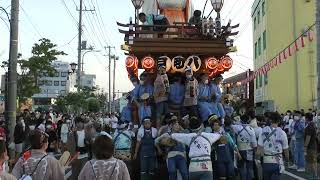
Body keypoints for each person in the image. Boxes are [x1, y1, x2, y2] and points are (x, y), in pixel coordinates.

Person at [257, 112, 289, 180]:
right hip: (278, 161)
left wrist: (257, 159)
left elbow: (259, 148)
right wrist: (287, 159)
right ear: (279, 121)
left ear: (270, 120)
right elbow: (286, 149)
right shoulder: (282, 133)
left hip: (266, 161)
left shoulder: (263, 131)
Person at [208, 115, 241, 180]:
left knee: (231, 176)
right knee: (221, 177)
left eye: (218, 125)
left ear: (220, 126)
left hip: (229, 159)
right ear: (212, 127)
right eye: (214, 125)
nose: (216, 126)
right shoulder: (210, 136)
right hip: (218, 160)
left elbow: (233, 145)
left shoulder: (226, 134)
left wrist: (238, 154)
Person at [232, 114, 257, 180]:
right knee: (249, 167)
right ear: (248, 120)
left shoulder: (237, 127)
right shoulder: (251, 129)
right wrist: (255, 151)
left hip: (240, 150)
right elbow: (254, 143)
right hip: (249, 150)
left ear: (241, 120)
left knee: (241, 167)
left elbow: (230, 125)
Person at [304, 113, 318, 179]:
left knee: (312, 162)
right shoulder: (313, 125)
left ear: (306, 118)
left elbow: (308, 138)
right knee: (312, 161)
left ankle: (315, 176)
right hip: (313, 146)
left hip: (310, 147)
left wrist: (305, 146)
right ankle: (313, 174)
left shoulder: (309, 127)